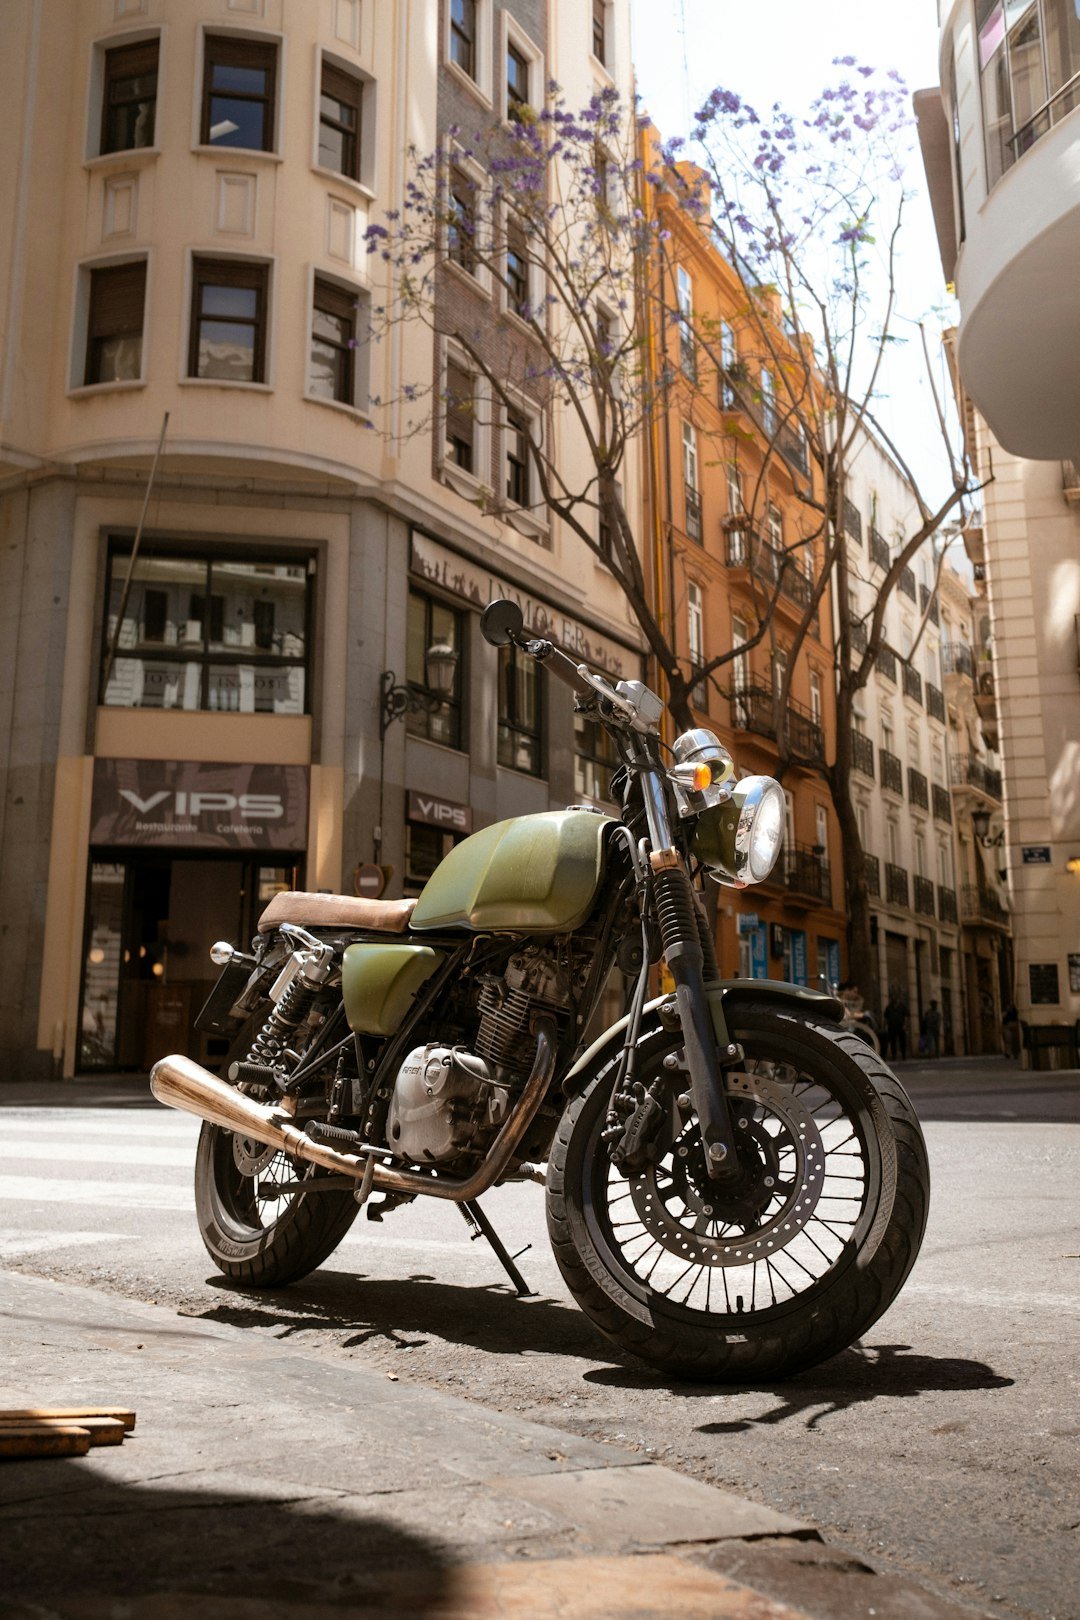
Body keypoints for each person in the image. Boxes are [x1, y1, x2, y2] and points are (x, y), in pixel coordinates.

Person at [883, 992, 909, 1060]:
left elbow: (906, 1017)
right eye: (893, 998)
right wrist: (884, 1026)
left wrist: (905, 1025)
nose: (895, 999)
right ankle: (894, 1056)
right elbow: (886, 1017)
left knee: (902, 1041)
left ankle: (904, 1055)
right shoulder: (889, 1007)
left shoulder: (902, 1007)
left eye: (896, 998)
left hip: (901, 1026)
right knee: (892, 1042)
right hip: (892, 1027)